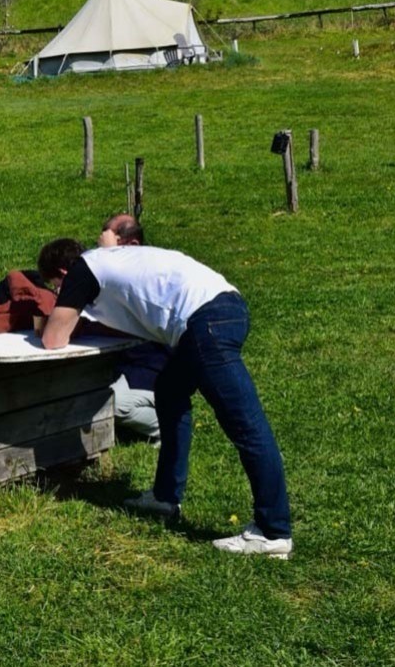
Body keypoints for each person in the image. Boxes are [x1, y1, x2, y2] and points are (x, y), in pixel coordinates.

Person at [41, 238, 293, 558]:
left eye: (56, 286)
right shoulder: (111, 260)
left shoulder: (83, 270)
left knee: (246, 426)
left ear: (63, 271)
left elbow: (53, 339)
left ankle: (273, 531)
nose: (59, 292)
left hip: (205, 323)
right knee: (170, 393)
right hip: (225, 307)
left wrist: (54, 312)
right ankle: (164, 497)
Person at [96, 214, 170, 444]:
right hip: (125, 363)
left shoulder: (146, 276)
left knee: (111, 406)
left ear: (132, 245)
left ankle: (166, 426)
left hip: (153, 368)